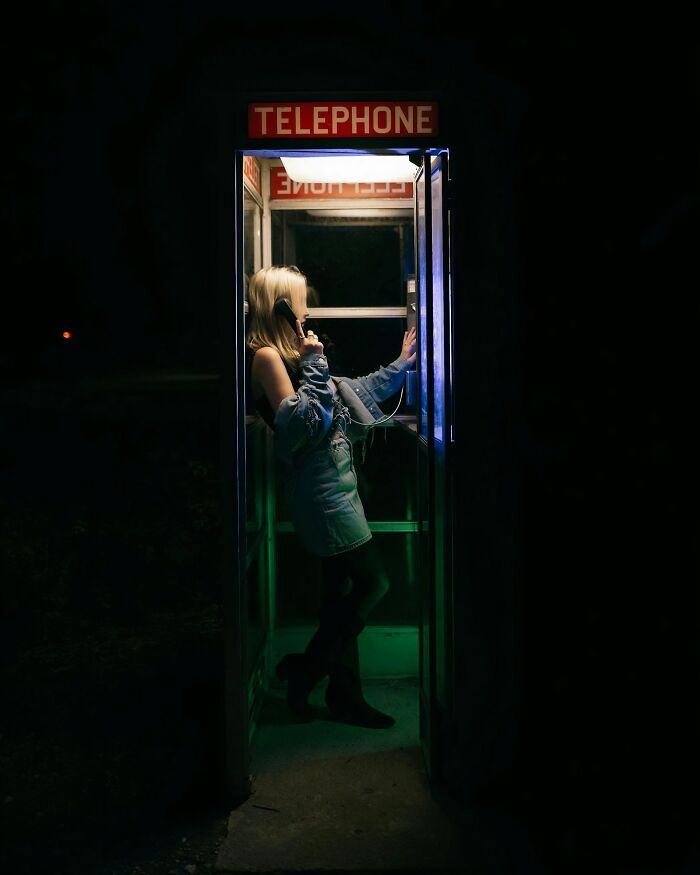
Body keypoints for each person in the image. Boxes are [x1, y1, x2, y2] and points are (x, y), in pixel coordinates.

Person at [246, 265, 416, 729]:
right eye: (298, 301)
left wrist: (402, 364)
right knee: (373, 583)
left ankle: (345, 694)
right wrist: (315, 362)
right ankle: (308, 667)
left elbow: (351, 392)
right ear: (279, 306)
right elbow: (304, 426)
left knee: (340, 598)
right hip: (321, 499)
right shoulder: (267, 358)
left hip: (339, 490)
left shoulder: (295, 355)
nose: (305, 309)